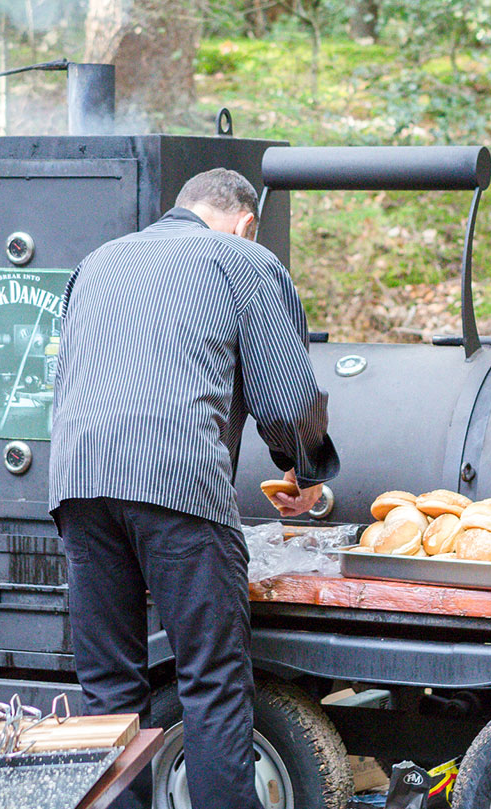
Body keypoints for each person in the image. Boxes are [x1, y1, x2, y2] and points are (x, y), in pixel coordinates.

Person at [50, 167, 339, 809]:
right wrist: (304, 472)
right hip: (176, 481)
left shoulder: (97, 262)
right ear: (244, 222)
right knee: (210, 683)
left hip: (77, 484)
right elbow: (288, 397)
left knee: (107, 690)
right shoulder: (245, 258)